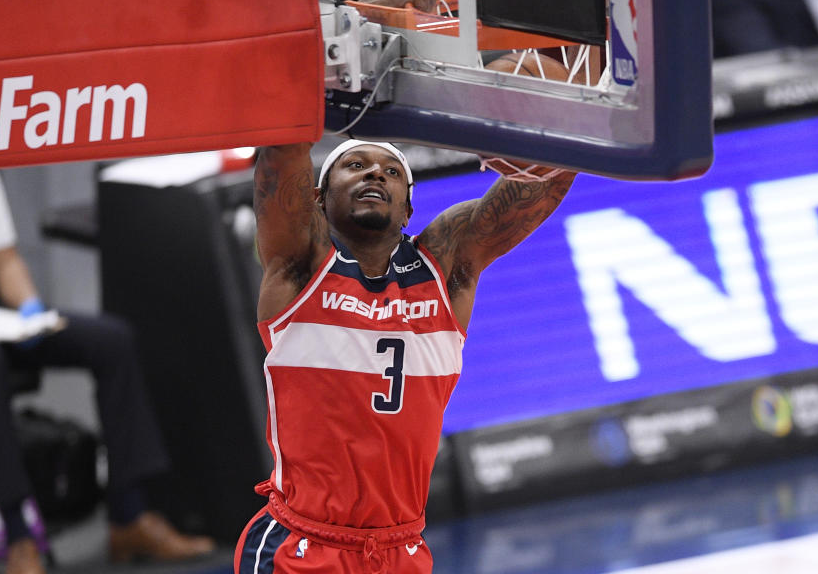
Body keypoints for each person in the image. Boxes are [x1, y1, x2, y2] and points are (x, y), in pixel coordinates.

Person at [234, 134, 575, 574]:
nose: (375, 173)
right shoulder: (299, 267)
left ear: (408, 209)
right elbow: (283, 150)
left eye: (392, 171)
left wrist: (570, 121)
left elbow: (545, 183)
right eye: (355, 165)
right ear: (317, 199)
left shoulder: (444, 267)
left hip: (402, 549)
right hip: (302, 545)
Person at [0, 170, 216, 574]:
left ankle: (129, 515)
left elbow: (4, 260)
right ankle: (20, 537)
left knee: (111, 340)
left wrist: (29, 312)